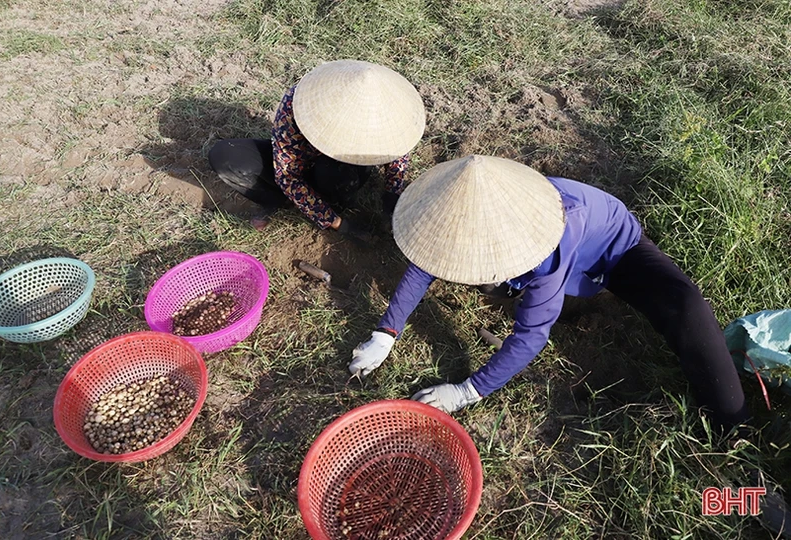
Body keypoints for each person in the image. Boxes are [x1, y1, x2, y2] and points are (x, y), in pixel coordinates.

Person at [349, 154, 791, 536]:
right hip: (554, 258)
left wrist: (467, 391)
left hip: (614, 251)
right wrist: (386, 332)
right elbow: (425, 264)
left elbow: (530, 336)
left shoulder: (547, 238)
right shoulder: (462, 209)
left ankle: (738, 437)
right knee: (505, 282)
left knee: (686, 305)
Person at [209, 60, 426, 238]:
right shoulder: (299, 102)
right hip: (300, 159)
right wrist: (340, 225)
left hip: (340, 169)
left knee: (332, 174)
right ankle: (287, 202)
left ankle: (334, 199)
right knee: (225, 155)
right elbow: (288, 176)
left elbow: (397, 149)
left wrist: (391, 194)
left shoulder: (390, 113)